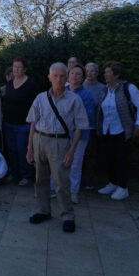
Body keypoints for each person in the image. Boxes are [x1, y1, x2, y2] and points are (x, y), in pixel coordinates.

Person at [26, 62, 89, 233]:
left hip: (60, 143)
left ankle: (68, 215)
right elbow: (32, 123)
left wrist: (72, 150)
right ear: (49, 77)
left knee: (61, 182)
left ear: (67, 77)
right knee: (40, 179)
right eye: (55, 76)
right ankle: (43, 210)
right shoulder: (40, 98)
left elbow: (79, 127)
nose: (59, 79)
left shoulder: (75, 100)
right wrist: (30, 148)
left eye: (62, 76)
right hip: (40, 139)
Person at [97, 61, 139, 200]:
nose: (105, 74)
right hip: (107, 130)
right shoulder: (105, 90)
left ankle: (123, 187)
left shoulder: (128, 88)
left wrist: (138, 125)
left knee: (121, 159)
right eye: (105, 71)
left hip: (122, 130)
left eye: (108, 72)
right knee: (109, 158)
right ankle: (113, 183)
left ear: (117, 74)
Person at [50, 64, 95, 204]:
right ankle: (55, 189)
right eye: (72, 74)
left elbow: (88, 116)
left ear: (82, 78)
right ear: (68, 76)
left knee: (75, 164)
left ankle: (73, 192)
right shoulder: (59, 92)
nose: (75, 77)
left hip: (79, 136)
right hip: (60, 134)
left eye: (78, 74)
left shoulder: (86, 95)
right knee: (57, 163)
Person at [2, 57, 40, 186]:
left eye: (19, 67)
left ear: (24, 69)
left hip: (24, 125)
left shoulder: (31, 84)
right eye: (14, 67)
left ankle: (26, 175)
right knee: (11, 151)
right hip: (8, 123)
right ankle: (14, 173)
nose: (16, 69)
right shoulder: (9, 83)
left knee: (23, 150)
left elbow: (36, 105)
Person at [82, 62, 106, 189]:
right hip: (80, 127)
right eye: (87, 71)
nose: (89, 73)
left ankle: (89, 180)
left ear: (97, 73)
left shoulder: (103, 88)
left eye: (92, 71)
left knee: (91, 154)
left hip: (93, 127)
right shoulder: (80, 86)